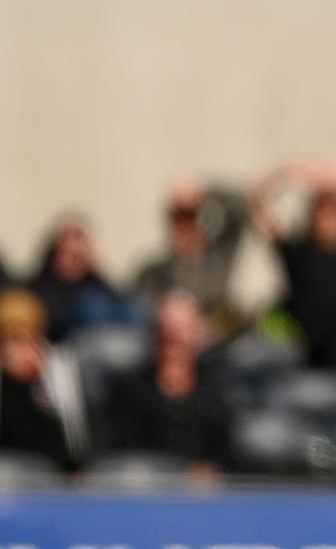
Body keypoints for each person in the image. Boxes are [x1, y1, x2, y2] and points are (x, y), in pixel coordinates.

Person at [251, 158, 336, 387]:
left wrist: (335, 178)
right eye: (322, 211)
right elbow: (257, 197)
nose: (328, 220)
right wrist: (290, 171)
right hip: (310, 351)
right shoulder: (296, 250)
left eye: (334, 212)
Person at [105, 290, 232, 474]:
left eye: (182, 329)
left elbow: (227, 454)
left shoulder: (216, 390)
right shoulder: (127, 389)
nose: (173, 336)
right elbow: (119, 454)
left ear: (198, 335)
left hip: (204, 497)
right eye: (166, 328)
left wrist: (210, 471)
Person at [133, 177, 251, 339]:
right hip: (174, 344)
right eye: (178, 219)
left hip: (220, 343)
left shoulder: (217, 256)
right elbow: (139, 309)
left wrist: (204, 191)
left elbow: (242, 208)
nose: (185, 227)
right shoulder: (154, 270)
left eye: (190, 218)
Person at [0, 289, 90, 471]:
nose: (27, 350)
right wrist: (13, 384)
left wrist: (33, 385)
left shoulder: (58, 378)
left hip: (48, 486)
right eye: (16, 340)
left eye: (33, 338)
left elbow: (68, 450)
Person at [28, 214, 138, 343]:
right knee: (93, 307)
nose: (74, 261)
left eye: (79, 256)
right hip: (69, 343)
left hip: (109, 342)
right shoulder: (42, 284)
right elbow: (53, 320)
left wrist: (100, 271)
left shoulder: (94, 280)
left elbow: (125, 308)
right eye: (69, 253)